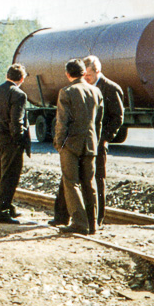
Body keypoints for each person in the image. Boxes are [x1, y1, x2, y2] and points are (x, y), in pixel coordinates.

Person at [54, 59, 104, 235]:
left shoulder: (66, 92)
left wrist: (59, 143)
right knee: (90, 183)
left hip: (71, 144)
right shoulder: (96, 91)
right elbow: (98, 122)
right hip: (90, 143)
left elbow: (62, 121)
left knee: (71, 182)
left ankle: (79, 223)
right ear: (84, 73)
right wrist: (95, 141)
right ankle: (93, 224)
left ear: (68, 74)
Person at [0, 63, 30, 224]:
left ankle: (7, 207)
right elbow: (16, 121)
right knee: (10, 177)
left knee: (1, 175)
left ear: (7, 76)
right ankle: (1, 213)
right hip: (10, 141)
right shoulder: (18, 95)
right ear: (22, 79)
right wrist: (18, 140)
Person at [83, 55, 124, 228]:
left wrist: (105, 138)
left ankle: (98, 218)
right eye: (84, 76)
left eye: (89, 76)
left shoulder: (111, 88)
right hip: (83, 142)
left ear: (97, 71)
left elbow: (118, 117)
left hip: (98, 143)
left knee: (98, 180)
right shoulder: (83, 87)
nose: (86, 79)